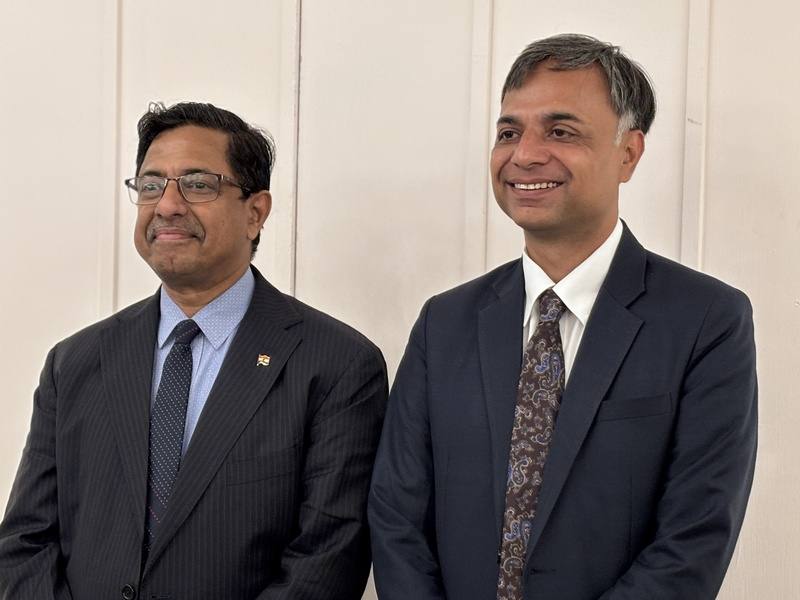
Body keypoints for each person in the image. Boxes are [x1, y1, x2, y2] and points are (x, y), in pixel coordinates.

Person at [368, 33, 757, 600]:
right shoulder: (444, 322)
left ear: (629, 153)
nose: (524, 154)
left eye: (561, 131)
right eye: (508, 132)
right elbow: (397, 516)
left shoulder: (707, 320)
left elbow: (694, 539)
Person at [0, 102, 388, 600]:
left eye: (198, 184)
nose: (167, 205)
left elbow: (327, 561)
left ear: (256, 212)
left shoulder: (336, 364)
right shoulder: (75, 362)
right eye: (151, 185)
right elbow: (26, 540)